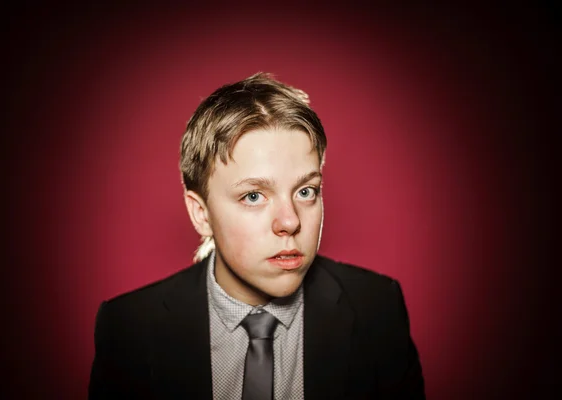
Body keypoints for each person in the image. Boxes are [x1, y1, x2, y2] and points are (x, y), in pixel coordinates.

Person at [88, 73, 425, 399]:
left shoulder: (378, 310)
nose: (290, 221)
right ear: (201, 214)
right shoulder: (129, 329)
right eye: (253, 196)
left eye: (306, 191)